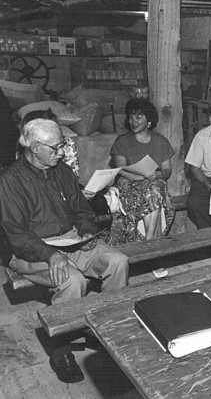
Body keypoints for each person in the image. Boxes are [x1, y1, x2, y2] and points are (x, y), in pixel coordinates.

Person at [0, 118, 128, 383]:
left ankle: (106, 330)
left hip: (70, 240)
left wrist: (86, 231)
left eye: (62, 146)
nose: (62, 152)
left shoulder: (62, 171)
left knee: (118, 261)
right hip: (30, 250)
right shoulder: (10, 180)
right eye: (56, 147)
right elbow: (16, 234)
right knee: (72, 280)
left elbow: (81, 209)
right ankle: (61, 350)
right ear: (35, 148)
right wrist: (51, 254)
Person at [108, 99, 176, 278]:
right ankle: (153, 248)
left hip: (152, 183)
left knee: (153, 189)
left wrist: (156, 176)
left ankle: (148, 242)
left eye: (139, 117)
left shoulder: (160, 141)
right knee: (152, 190)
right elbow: (121, 170)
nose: (133, 121)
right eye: (131, 117)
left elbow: (167, 170)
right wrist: (143, 178)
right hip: (129, 184)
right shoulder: (122, 141)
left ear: (149, 121)